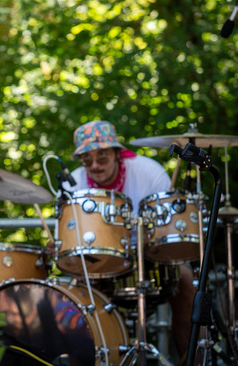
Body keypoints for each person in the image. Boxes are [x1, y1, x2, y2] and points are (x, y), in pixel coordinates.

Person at [65, 120, 196, 362]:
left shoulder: (149, 172)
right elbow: (68, 239)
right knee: (75, 294)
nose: (94, 165)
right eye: (86, 159)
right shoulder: (71, 184)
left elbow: (166, 231)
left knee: (187, 280)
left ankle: (190, 360)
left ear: (118, 153)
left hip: (150, 259)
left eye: (102, 157)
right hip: (96, 265)